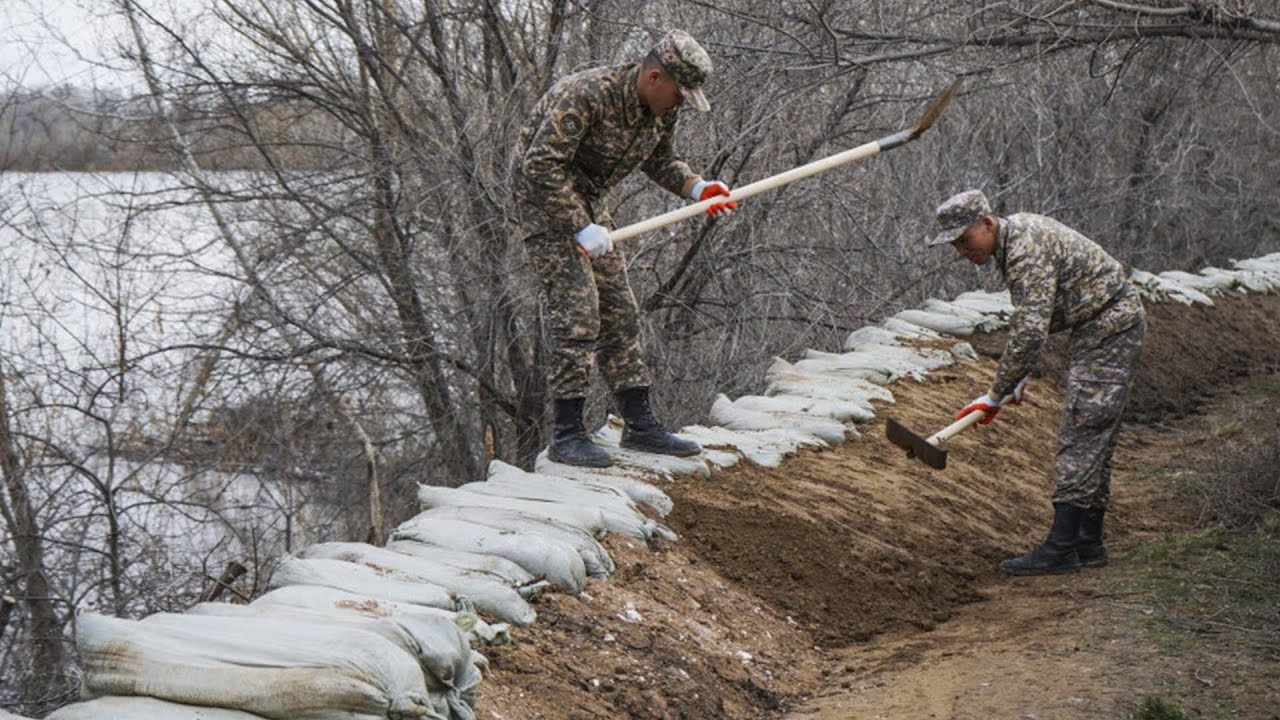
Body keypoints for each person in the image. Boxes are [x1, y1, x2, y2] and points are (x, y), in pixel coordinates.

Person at [512, 30, 738, 468]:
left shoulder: (660, 108)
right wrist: (578, 227)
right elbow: (538, 165)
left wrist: (698, 188)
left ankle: (640, 426)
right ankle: (566, 435)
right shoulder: (588, 96)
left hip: (591, 207)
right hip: (544, 203)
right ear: (655, 76)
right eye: (678, 94)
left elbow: (661, 160)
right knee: (579, 316)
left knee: (619, 311)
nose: (679, 104)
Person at [927, 190, 1146, 575]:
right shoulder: (1017, 241)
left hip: (1109, 327)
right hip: (1102, 326)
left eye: (964, 239)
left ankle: (1062, 548)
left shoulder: (1025, 250)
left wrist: (994, 395)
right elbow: (1040, 320)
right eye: (954, 245)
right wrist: (1020, 375)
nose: (962, 251)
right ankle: (1087, 542)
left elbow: (1029, 333)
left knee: (1083, 431)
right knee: (1095, 435)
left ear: (988, 223)